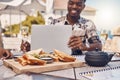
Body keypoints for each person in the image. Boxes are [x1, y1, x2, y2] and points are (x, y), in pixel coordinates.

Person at [21, 0, 102, 55]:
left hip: (79, 63)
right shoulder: (54, 22)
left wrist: (86, 47)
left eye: (78, 4)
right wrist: (30, 47)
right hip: (57, 61)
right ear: (67, 4)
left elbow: (98, 46)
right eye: (71, 3)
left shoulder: (88, 24)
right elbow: (44, 44)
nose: (74, 6)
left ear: (83, 7)